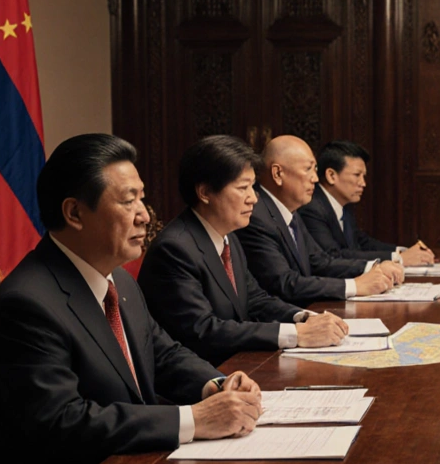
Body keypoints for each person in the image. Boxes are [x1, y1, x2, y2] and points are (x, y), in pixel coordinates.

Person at [0, 134, 262, 464]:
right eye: (129, 200)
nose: (146, 214)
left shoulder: (117, 276)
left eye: (142, 197)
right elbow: (61, 423)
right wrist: (192, 420)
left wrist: (215, 383)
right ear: (74, 213)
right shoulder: (27, 305)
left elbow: (160, 351)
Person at [138, 135, 351, 366]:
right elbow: (205, 330)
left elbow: (255, 299)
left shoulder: (228, 235)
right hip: (206, 375)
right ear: (205, 193)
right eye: (243, 188)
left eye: (252, 186)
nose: (253, 198)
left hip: (240, 362)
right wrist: (296, 335)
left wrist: (305, 318)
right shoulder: (175, 249)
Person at [237, 135, 403, 304]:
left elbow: (319, 261)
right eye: (308, 169)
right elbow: (284, 283)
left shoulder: (290, 211)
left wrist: (371, 268)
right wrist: (354, 286)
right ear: (278, 173)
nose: (315, 179)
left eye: (315, 169)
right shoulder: (255, 216)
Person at [298, 140, 436, 265]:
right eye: (357, 175)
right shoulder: (311, 207)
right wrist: (397, 258)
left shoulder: (344, 204)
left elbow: (361, 241)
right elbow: (334, 255)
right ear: (331, 175)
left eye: (364, 176)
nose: (363, 183)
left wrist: (402, 251)